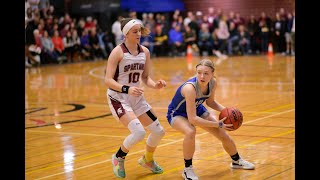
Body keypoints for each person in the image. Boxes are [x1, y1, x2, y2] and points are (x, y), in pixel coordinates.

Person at [166, 59, 255, 180]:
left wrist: (228, 112)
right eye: (199, 72)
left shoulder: (213, 83)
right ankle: (187, 170)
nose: (202, 76)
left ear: (212, 73)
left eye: (206, 73)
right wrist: (217, 124)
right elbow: (192, 119)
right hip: (177, 113)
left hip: (197, 109)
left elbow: (210, 102)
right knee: (190, 131)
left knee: (223, 134)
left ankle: (236, 161)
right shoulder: (190, 88)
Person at [105, 18, 167, 178]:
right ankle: (118, 157)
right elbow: (108, 80)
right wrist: (127, 88)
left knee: (158, 132)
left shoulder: (145, 51)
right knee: (139, 132)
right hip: (118, 97)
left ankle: (147, 159)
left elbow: (145, 77)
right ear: (126, 33)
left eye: (140, 30)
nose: (139, 34)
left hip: (136, 97)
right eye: (135, 31)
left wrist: (155, 85)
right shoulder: (118, 52)